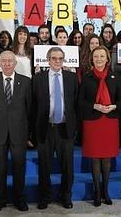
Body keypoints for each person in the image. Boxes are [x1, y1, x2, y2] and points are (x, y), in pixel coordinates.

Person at [0, 51, 32, 213]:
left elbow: (29, 109)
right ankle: (0, 200)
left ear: (15, 63)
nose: (7, 64)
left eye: (10, 61)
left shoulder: (26, 82)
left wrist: (29, 134)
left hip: (19, 132)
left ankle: (20, 199)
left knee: (19, 167)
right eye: (4, 61)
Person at [32, 47, 79, 210]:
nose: (57, 61)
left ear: (63, 60)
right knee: (44, 166)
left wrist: (76, 128)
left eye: (60, 58)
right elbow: (33, 106)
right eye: (54, 58)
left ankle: (66, 196)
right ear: (48, 60)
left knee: (68, 166)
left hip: (65, 129)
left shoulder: (72, 78)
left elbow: (76, 104)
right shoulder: (38, 79)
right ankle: (45, 196)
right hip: (45, 128)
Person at [79, 46, 121, 206]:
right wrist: (94, 106)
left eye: (102, 56)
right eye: (96, 56)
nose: (99, 59)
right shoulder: (87, 77)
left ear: (107, 58)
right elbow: (80, 102)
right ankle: (97, 192)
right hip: (93, 121)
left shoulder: (114, 77)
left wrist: (114, 106)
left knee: (107, 158)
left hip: (109, 121)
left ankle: (106, 191)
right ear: (92, 58)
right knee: (95, 158)